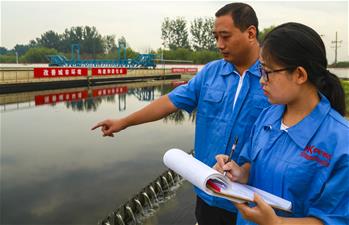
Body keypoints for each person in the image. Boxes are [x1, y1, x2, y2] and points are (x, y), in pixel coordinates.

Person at [92, 3, 269, 224]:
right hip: (209, 193)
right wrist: (124, 122)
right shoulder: (211, 73)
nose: (219, 44)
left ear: (250, 33)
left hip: (251, 200)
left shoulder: (271, 78)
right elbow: (169, 102)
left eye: (225, 36)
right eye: (215, 37)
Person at [215, 22, 348, 225]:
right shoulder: (267, 116)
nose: (261, 80)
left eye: (267, 72)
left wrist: (278, 223)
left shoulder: (340, 142)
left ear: (300, 75)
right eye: (261, 70)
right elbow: (253, 163)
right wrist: (241, 173)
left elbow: (335, 219)